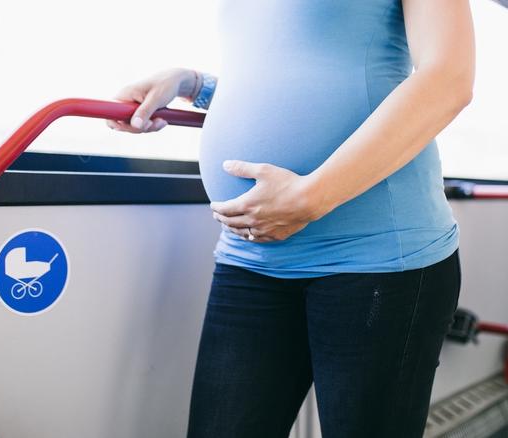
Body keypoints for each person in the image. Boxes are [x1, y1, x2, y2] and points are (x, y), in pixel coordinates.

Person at [107, 0, 475, 436]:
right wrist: (193, 83)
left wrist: (312, 197)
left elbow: (448, 79)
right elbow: (296, 67)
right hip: (251, 257)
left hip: (378, 260)